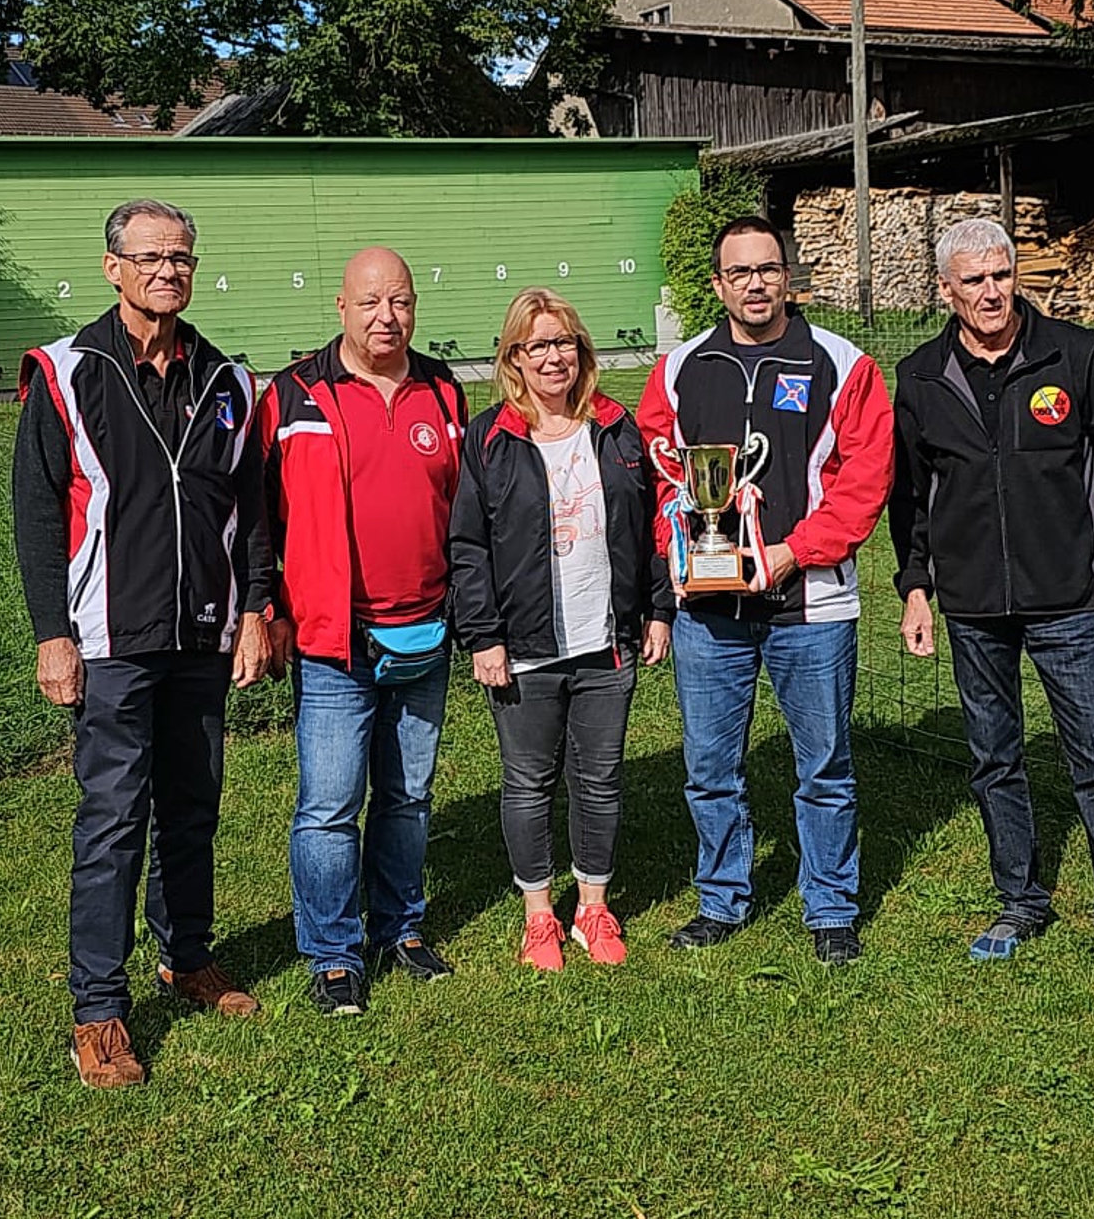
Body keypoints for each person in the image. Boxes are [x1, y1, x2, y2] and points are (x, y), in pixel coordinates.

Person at [12, 199, 275, 1090]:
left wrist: (256, 608)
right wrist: (54, 633)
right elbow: (37, 515)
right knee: (115, 819)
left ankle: (187, 955)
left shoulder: (226, 380)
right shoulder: (65, 371)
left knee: (194, 805)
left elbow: (252, 512)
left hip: (202, 630)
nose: (170, 270)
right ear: (112, 267)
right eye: (152, 256)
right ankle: (99, 1010)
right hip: (110, 636)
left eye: (183, 257)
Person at [887, 217, 1094, 988]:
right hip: (973, 607)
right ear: (945, 290)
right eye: (974, 280)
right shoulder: (918, 378)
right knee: (994, 758)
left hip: (1069, 601)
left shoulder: (1073, 355)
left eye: (1002, 275)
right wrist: (916, 586)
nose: (991, 292)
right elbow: (908, 500)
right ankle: (1021, 899)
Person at [638, 216, 893, 964]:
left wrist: (792, 551)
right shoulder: (680, 367)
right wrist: (678, 547)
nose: (756, 282)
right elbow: (661, 475)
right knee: (710, 766)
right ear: (717, 283)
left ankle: (831, 908)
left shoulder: (843, 364)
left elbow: (864, 480)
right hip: (708, 613)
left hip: (810, 604)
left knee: (824, 766)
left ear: (789, 277)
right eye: (740, 271)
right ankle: (721, 898)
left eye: (769, 269)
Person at [258, 248, 469, 1015]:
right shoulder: (294, 395)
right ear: (340, 308)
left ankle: (400, 926)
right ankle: (333, 951)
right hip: (333, 642)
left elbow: (461, 508)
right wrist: (266, 606)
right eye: (372, 302)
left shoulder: (444, 390)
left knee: (410, 797)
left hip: (424, 631)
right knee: (330, 805)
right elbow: (257, 516)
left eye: (403, 301)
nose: (389, 316)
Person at [447, 288, 673, 972]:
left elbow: (650, 528)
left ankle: (594, 906)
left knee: (601, 779)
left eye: (564, 342)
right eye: (537, 344)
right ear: (513, 356)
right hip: (524, 646)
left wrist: (657, 610)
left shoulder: (616, 427)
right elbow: (467, 545)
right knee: (528, 781)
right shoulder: (490, 437)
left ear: (582, 351)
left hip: (606, 640)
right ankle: (539, 913)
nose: (554, 357)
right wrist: (484, 634)